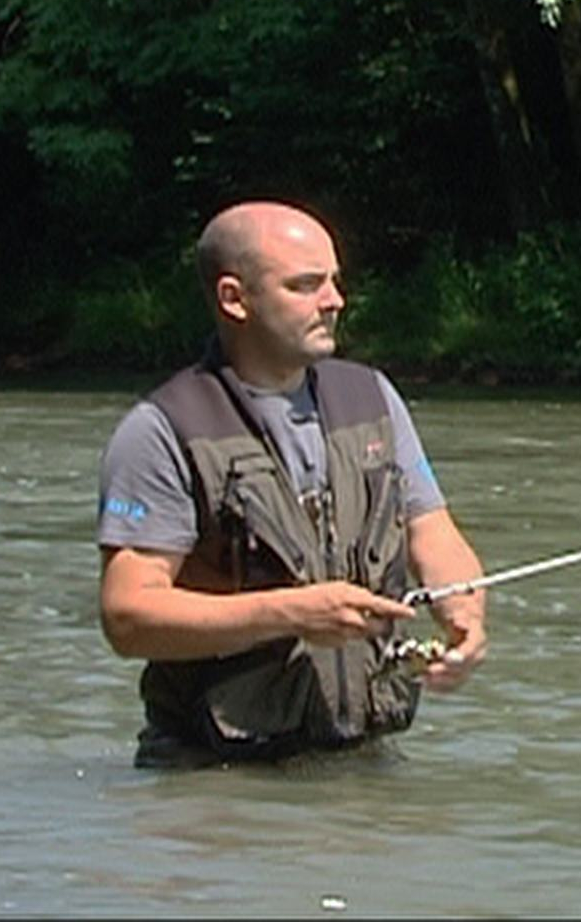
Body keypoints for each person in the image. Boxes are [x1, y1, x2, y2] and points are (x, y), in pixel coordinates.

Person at [95, 199, 486, 768]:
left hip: (362, 758)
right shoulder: (160, 431)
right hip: (212, 777)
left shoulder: (372, 398)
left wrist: (465, 616)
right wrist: (292, 613)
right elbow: (128, 617)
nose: (334, 301)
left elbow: (433, 533)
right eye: (305, 285)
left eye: (334, 281)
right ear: (235, 299)